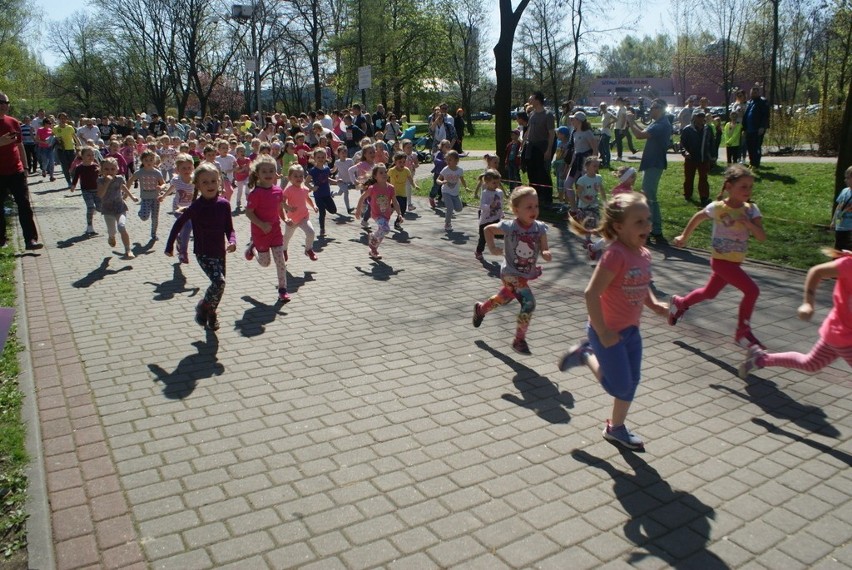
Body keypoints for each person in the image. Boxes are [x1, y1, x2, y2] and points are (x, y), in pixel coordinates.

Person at [557, 193, 668, 451]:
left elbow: (642, 284)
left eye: (647, 220)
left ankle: (615, 428)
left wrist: (653, 305)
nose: (647, 226)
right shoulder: (615, 255)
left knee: (631, 381)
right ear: (619, 227)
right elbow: (591, 293)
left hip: (630, 331)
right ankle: (585, 355)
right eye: (639, 222)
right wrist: (603, 331)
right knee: (618, 385)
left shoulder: (643, 254)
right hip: (604, 332)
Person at [668, 164, 767, 348]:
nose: (748, 190)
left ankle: (680, 303)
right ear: (729, 187)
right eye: (743, 186)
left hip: (735, 262)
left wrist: (750, 224)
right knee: (752, 291)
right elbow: (698, 216)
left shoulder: (751, 210)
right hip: (721, 261)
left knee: (710, 293)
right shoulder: (718, 208)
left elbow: (761, 237)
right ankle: (742, 331)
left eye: (750, 186)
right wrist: (684, 236)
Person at [739, 249, 852, 379]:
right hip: (843, 334)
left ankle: (760, 358)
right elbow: (816, 272)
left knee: (810, 364)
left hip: (839, 333)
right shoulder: (848, 265)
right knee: (810, 364)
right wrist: (808, 303)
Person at [472, 186, 552, 355]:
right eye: (528, 207)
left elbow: (545, 247)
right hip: (510, 273)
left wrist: (546, 253)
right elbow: (488, 229)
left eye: (536, 206)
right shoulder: (510, 226)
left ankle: (481, 309)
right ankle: (519, 340)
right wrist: (492, 247)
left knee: (503, 299)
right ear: (516, 210)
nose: (534, 210)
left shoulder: (540, 228)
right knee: (528, 303)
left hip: (523, 274)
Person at [165, 162, 236, 331]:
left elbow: (229, 228)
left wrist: (232, 241)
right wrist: (169, 247)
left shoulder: (224, 204)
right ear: (197, 185)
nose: (210, 185)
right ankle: (203, 306)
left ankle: (211, 314)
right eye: (205, 182)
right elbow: (178, 225)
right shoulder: (196, 207)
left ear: (218, 182)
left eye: (213, 181)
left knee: (220, 286)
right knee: (219, 282)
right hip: (203, 253)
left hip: (220, 252)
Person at [243, 155, 292, 303]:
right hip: (260, 232)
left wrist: (285, 218)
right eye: (264, 171)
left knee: (281, 262)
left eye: (272, 171)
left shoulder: (278, 191)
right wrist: (261, 224)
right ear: (257, 174)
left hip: (275, 232)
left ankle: (282, 290)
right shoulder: (255, 193)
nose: (269, 174)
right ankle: (253, 248)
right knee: (265, 263)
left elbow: (279, 207)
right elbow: (248, 212)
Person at [0, 92, 41, 249]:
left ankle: (30, 240)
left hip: (15, 170)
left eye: (6, 102)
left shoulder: (13, 122)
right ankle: (2, 240)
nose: (4, 105)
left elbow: (19, 145)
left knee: (24, 205)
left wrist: (25, 166)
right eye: (1, 102)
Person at [627, 99, 672, 241]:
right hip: (652, 163)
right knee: (648, 196)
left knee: (649, 197)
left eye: (652, 108)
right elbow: (644, 131)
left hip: (654, 163)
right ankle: (652, 227)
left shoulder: (661, 125)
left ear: (659, 109)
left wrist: (630, 121)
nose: (650, 110)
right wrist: (633, 122)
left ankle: (656, 229)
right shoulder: (658, 123)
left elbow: (639, 135)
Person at [354, 163, 402, 260]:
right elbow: (362, 198)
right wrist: (358, 210)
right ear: (375, 176)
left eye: (385, 172)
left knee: (382, 233)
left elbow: (395, 201)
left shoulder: (391, 188)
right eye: (381, 173)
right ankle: (372, 237)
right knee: (386, 229)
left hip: (386, 215)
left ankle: (374, 250)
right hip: (377, 214)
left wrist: (399, 214)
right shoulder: (373, 188)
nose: (384, 174)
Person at [96, 157, 138, 259]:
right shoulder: (100, 181)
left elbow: (123, 187)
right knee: (112, 231)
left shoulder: (119, 178)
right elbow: (100, 195)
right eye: (106, 169)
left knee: (122, 226)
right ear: (101, 170)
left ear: (117, 169)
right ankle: (111, 237)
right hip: (107, 209)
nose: (109, 172)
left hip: (120, 207)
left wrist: (131, 197)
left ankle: (128, 250)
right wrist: (107, 183)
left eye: (112, 169)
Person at [158, 153, 196, 263]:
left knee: (188, 228)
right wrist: (163, 196)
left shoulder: (195, 179)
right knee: (188, 226)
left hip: (191, 208)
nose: (187, 170)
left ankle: (179, 239)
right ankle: (183, 253)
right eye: (183, 168)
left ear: (193, 168)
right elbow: (171, 188)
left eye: (189, 167)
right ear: (178, 169)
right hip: (178, 209)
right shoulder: (176, 180)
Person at [523, 91, 556, 206]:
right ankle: (534, 197)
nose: (529, 100)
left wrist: (548, 150)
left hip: (541, 146)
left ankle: (546, 198)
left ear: (537, 100)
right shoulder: (532, 114)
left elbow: (551, 134)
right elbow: (529, 130)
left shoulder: (548, 115)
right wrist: (523, 145)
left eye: (531, 98)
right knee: (531, 172)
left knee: (542, 173)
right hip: (530, 146)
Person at [281, 164, 318, 261]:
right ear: (290, 178)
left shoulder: (305, 189)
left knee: (311, 233)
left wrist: (314, 206)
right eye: (296, 176)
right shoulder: (288, 190)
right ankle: (284, 250)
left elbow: (307, 198)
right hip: (291, 220)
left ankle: (308, 249)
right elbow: (282, 202)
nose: (299, 178)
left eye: (301, 176)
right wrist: (288, 207)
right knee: (287, 237)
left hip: (304, 217)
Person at [127, 150, 166, 240]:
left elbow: (163, 184)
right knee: (144, 217)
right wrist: (126, 193)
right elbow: (130, 180)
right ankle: (141, 213)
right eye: (146, 160)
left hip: (156, 198)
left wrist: (161, 187)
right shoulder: (140, 172)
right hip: (145, 198)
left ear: (154, 161)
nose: (149, 162)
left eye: (151, 160)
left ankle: (153, 234)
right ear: (142, 161)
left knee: (155, 218)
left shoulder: (157, 172)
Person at [679, 110, 715, 206]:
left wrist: (713, 156)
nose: (700, 118)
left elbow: (711, 143)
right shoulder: (687, 129)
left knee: (703, 178)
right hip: (690, 158)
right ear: (694, 117)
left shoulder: (708, 129)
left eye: (702, 116)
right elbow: (682, 144)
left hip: (703, 158)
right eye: (698, 116)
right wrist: (685, 152)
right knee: (689, 178)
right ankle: (688, 195)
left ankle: (704, 198)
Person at [564, 111, 599, 203]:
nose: (572, 121)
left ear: (579, 120)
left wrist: (593, 164)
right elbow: (575, 150)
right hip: (576, 160)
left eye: (573, 119)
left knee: (585, 185)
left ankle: (587, 206)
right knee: (567, 184)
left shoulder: (587, 132)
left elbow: (595, 149)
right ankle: (573, 208)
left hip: (585, 161)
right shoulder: (574, 132)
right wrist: (571, 164)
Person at [69, 147, 103, 236]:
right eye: (88, 155)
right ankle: (90, 227)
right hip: (86, 191)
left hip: (97, 190)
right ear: (82, 156)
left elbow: (101, 176)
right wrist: (73, 185)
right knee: (90, 207)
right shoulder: (79, 167)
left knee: (100, 208)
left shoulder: (96, 166)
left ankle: (94, 209)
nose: (91, 157)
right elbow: (75, 177)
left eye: (92, 155)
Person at [306, 148, 338, 237]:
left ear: (325, 158)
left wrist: (335, 181)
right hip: (318, 195)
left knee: (333, 210)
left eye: (323, 157)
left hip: (327, 194)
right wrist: (312, 188)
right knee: (322, 213)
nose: (321, 159)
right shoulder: (313, 170)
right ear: (314, 158)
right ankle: (322, 229)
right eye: (318, 157)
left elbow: (327, 178)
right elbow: (306, 182)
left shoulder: (327, 169)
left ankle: (323, 206)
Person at [475, 169, 505, 261]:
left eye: (498, 183)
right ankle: (478, 251)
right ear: (487, 182)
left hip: (495, 218)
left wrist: (501, 213)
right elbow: (482, 206)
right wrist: (489, 206)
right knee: (483, 238)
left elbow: (500, 204)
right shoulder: (485, 193)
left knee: (501, 234)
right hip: (485, 220)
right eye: (494, 183)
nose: (496, 185)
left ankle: (503, 248)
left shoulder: (499, 192)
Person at [438, 150, 468, 232]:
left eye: (450, 160)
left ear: (456, 161)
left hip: (455, 193)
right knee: (450, 208)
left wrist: (466, 187)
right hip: (446, 191)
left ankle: (451, 203)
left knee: (459, 209)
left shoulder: (460, 170)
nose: (447, 161)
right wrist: (441, 182)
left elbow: (462, 180)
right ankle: (447, 223)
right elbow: (438, 179)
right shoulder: (445, 169)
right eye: (447, 159)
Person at [742, 86, 769, 168]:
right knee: (750, 147)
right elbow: (746, 115)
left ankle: (756, 165)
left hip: (757, 129)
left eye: (755, 92)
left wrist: (762, 127)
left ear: (758, 93)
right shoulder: (750, 102)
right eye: (752, 92)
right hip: (749, 129)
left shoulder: (762, 102)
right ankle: (752, 163)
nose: (753, 94)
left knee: (756, 147)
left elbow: (765, 115)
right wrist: (744, 128)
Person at [388, 152, 413, 231]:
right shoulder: (392, 170)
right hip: (394, 193)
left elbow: (410, 178)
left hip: (403, 193)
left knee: (403, 209)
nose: (402, 164)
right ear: (395, 162)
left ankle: (397, 222)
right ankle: (385, 220)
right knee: (396, 205)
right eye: (400, 162)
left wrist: (414, 185)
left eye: (404, 162)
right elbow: (385, 177)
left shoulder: (406, 170)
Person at [53, 113, 80, 187]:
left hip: (71, 149)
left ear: (66, 119)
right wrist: (56, 139)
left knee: (73, 166)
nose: (63, 120)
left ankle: (73, 178)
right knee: (65, 166)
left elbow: (75, 137)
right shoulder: (55, 128)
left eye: (64, 118)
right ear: (58, 119)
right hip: (61, 150)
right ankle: (68, 181)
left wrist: (79, 146)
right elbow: (52, 137)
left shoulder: (70, 127)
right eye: (61, 118)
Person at [599, 102, 615, 168]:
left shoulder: (608, 114)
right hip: (603, 132)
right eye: (601, 107)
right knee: (600, 147)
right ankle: (604, 160)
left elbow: (616, 119)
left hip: (606, 133)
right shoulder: (603, 114)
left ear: (606, 107)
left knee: (606, 149)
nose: (602, 108)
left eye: (603, 107)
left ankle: (607, 163)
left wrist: (610, 124)